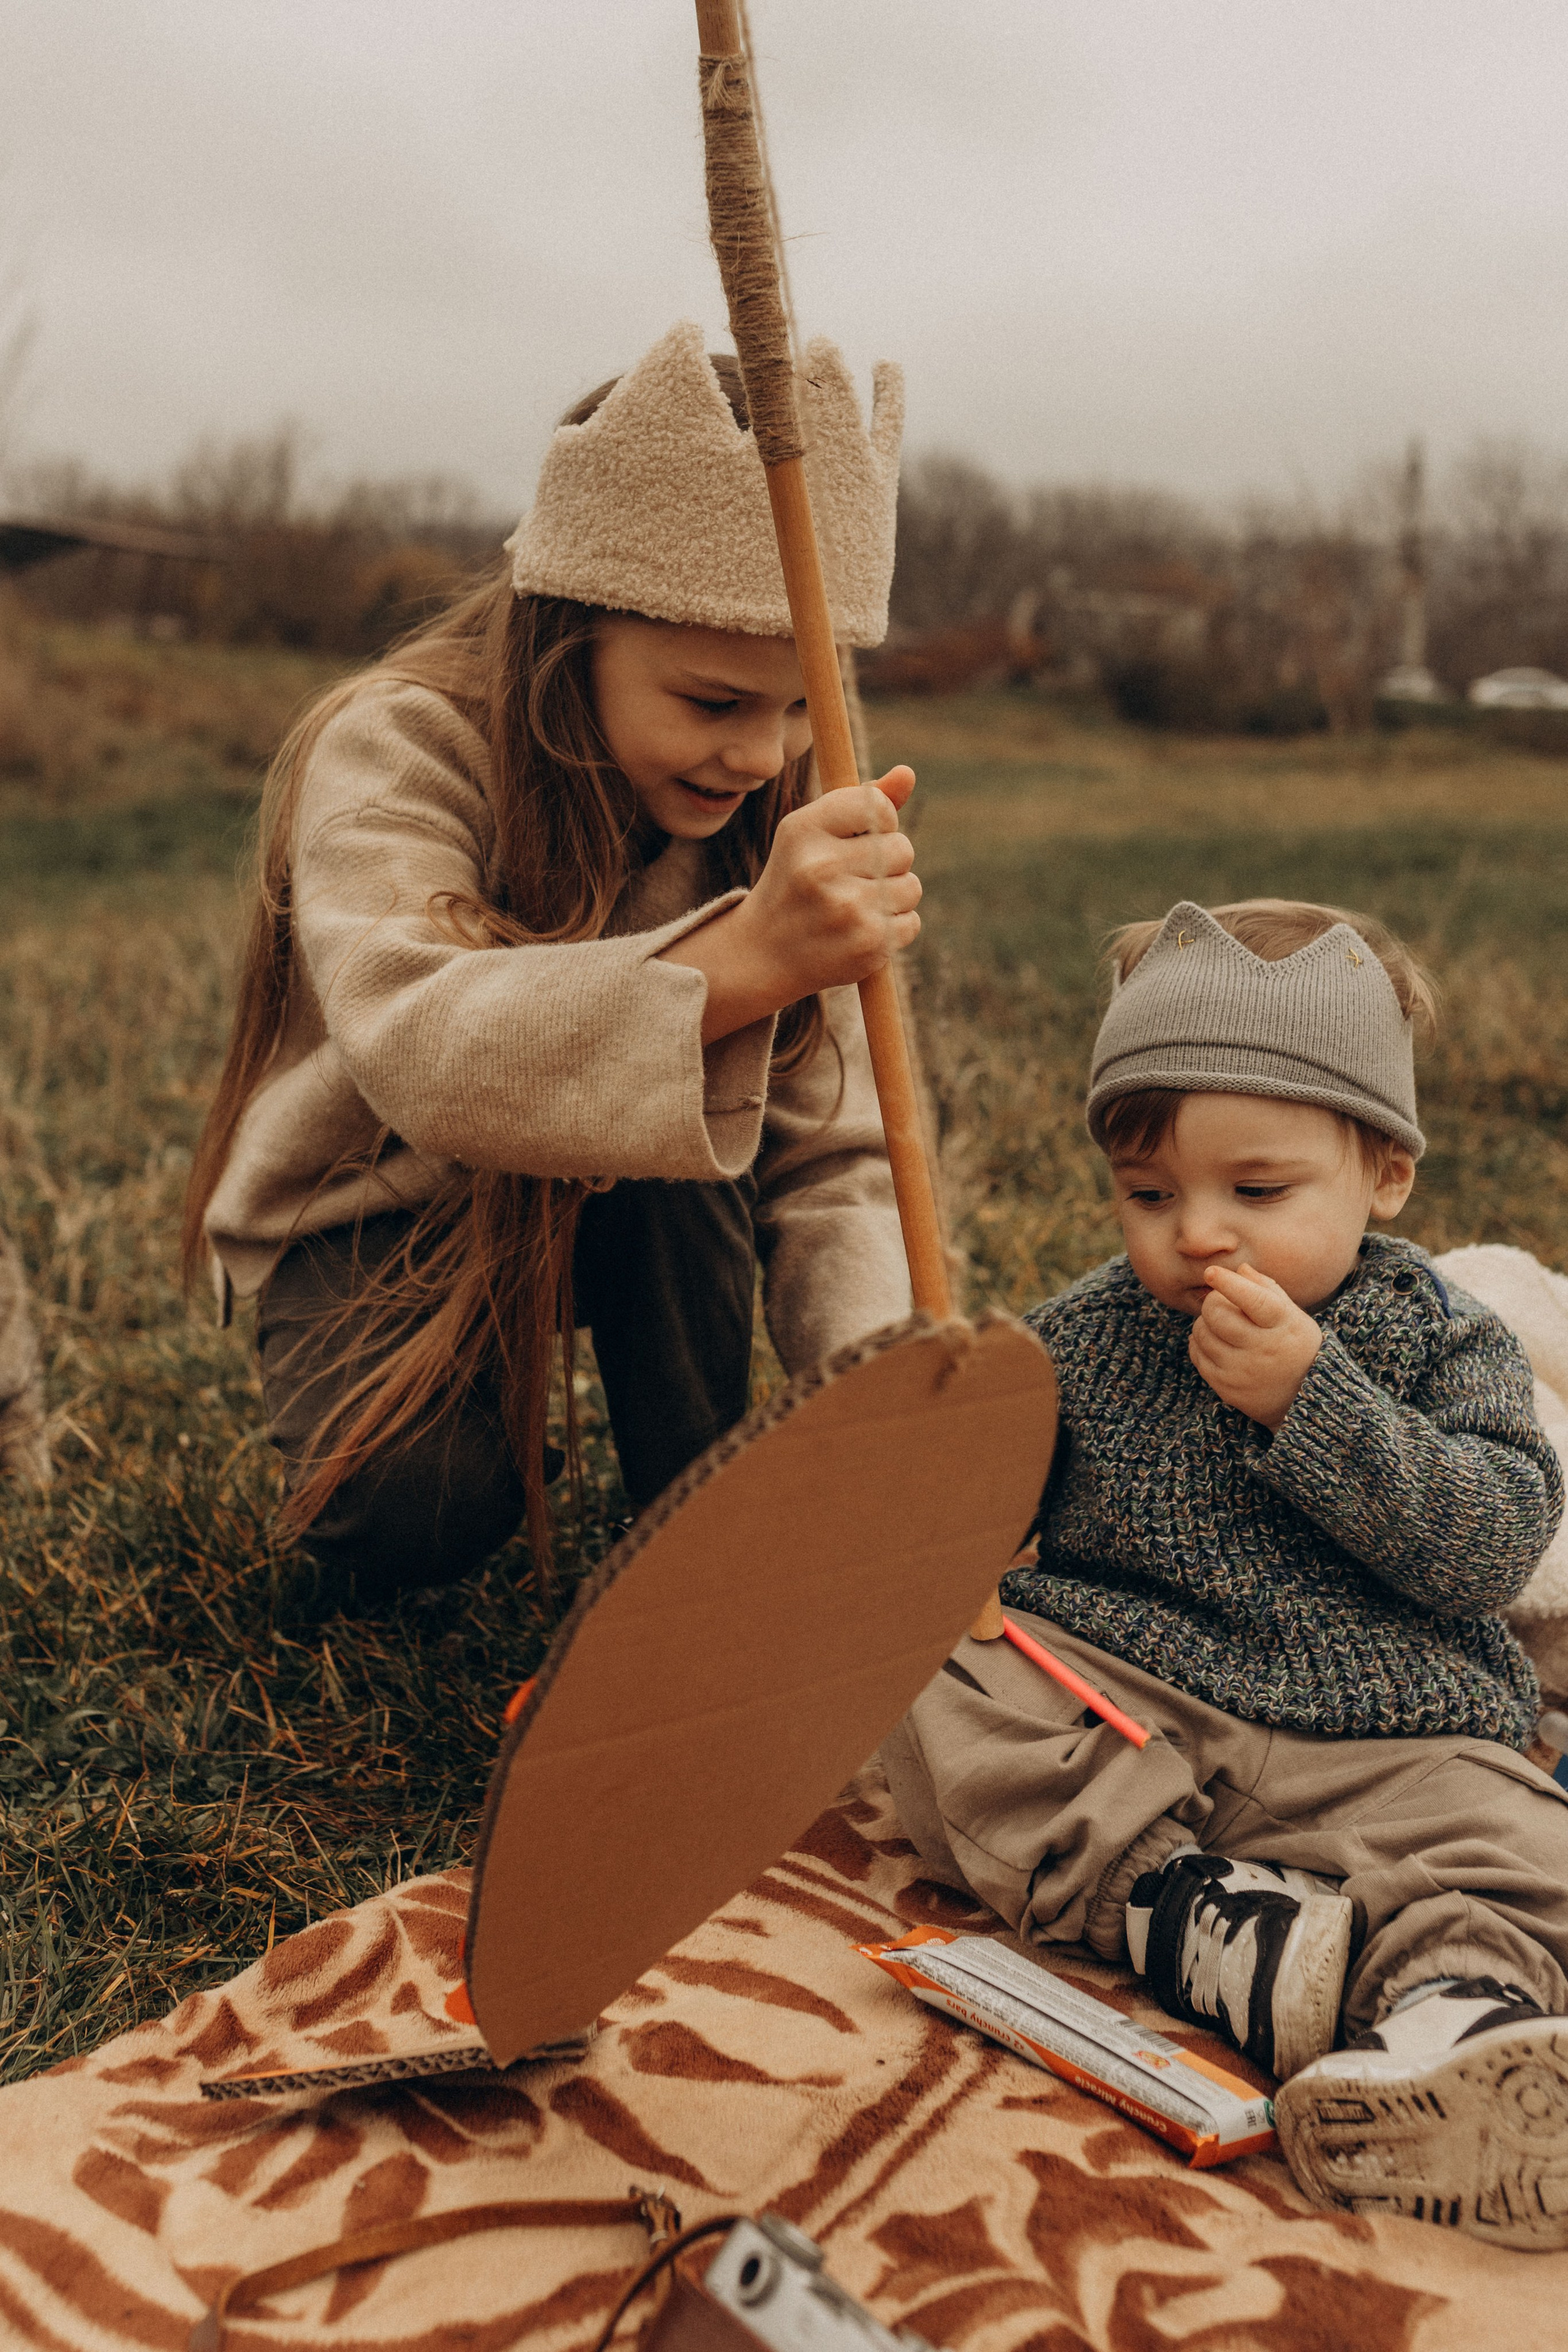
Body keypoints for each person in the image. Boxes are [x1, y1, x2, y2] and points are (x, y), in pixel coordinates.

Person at [183, 322, 916, 1608]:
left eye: (802, 705)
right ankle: (455, 1414)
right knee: (411, 1518)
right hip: (378, 1209)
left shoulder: (775, 804)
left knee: (700, 1114)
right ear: (568, 634)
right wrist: (738, 959)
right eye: (711, 702)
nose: (761, 752)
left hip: (629, 1218)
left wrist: (882, 1410)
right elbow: (422, 1048)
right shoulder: (397, 745)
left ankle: (702, 1547)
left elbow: (834, 1157)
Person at [881, 897, 1568, 2248]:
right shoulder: (1085, 1334)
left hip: (1389, 1727)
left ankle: (1451, 2033)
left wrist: (1319, 1406)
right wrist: (941, 1460)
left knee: (1522, 1851)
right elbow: (967, 1525)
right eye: (1149, 1196)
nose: (1197, 1233)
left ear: (1383, 1176)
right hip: (1133, 1702)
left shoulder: (1436, 1334)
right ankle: (1182, 1915)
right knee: (933, 1687)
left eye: (1255, 1192)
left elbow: (1491, 1537)